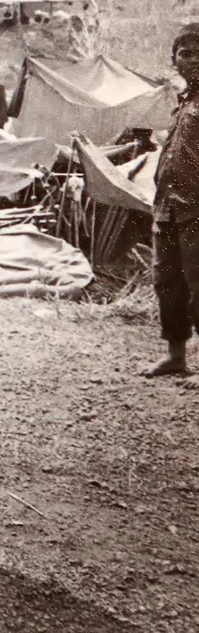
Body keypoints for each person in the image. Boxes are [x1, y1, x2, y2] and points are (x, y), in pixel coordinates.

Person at [141, 24, 199, 386]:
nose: (193, 60)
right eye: (185, 53)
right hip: (167, 207)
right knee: (167, 281)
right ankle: (175, 356)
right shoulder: (183, 103)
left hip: (197, 207)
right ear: (174, 60)